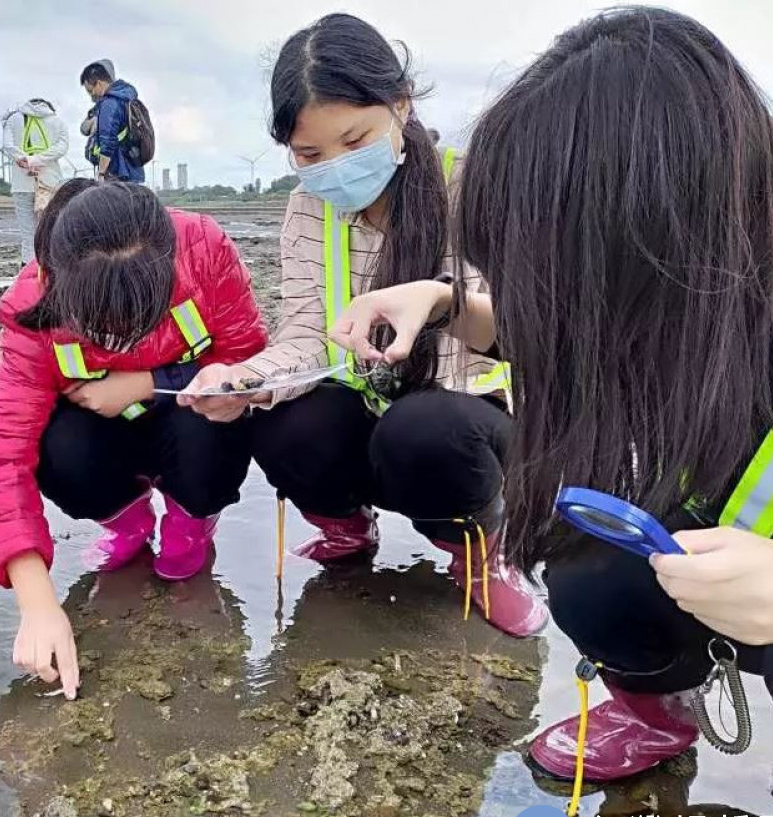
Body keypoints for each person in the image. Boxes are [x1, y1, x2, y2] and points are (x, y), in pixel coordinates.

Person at [333, 7, 773, 781]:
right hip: (719, 555)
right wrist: (442, 300)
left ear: (655, 236)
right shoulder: (686, 276)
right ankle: (655, 709)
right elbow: (563, 329)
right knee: (590, 563)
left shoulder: (675, 278)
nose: (567, 313)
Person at [181, 13, 547, 639]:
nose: (335, 167)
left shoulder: (478, 187)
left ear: (400, 107)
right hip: (367, 402)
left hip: (470, 413)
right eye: (311, 154)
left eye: (354, 142)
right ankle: (345, 525)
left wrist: (440, 300)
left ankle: (479, 551)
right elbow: (305, 336)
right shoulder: (306, 208)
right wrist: (246, 379)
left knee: (424, 430)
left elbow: (535, 327)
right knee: (278, 421)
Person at [0, 180, 267, 698]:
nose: (120, 340)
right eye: (100, 325)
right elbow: (1, 453)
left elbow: (247, 360)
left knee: (212, 426)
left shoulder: (203, 251)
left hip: (186, 420)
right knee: (58, 448)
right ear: (52, 280)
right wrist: (37, 601)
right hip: (99, 434)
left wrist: (150, 383)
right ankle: (127, 524)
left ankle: (190, 523)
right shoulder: (31, 310)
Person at [1, 98, 70, 266]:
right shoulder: (57, 121)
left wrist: (23, 159)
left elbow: (7, 145)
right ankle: (51, 275)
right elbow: (62, 147)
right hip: (50, 183)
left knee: (28, 235)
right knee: (50, 231)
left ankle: (29, 277)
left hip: (21, 182)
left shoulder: (13, 119)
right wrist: (39, 159)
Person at [79, 59, 144, 183]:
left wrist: (101, 174)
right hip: (132, 169)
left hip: (118, 172)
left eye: (90, 90)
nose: (91, 95)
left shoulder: (110, 103)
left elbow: (108, 141)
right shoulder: (125, 98)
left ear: (98, 83)